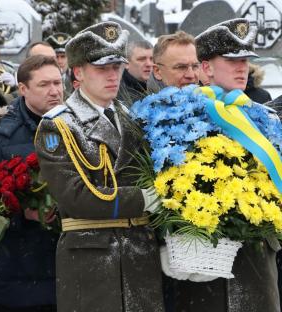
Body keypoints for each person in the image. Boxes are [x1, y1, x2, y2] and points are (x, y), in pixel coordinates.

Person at [34, 21, 164, 312]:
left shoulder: (131, 118)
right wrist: (143, 199)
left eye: (117, 67)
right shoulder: (59, 125)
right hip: (92, 260)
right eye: (102, 68)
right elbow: (76, 197)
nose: (112, 76)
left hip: (140, 257)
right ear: (78, 72)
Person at [165, 18, 280, 312]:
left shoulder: (264, 117)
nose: (242, 67)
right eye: (231, 60)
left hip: (256, 259)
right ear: (206, 68)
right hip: (204, 263)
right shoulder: (178, 119)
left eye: (244, 59)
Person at [0, 55, 62, 312]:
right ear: (23, 89)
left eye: (57, 82)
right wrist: (22, 213)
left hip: (71, 271)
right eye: (44, 85)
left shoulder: (75, 127)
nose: (54, 91)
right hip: (20, 275)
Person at [118, 40, 153, 105]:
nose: (149, 64)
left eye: (152, 59)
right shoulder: (117, 93)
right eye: (142, 59)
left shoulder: (161, 85)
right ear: (126, 63)